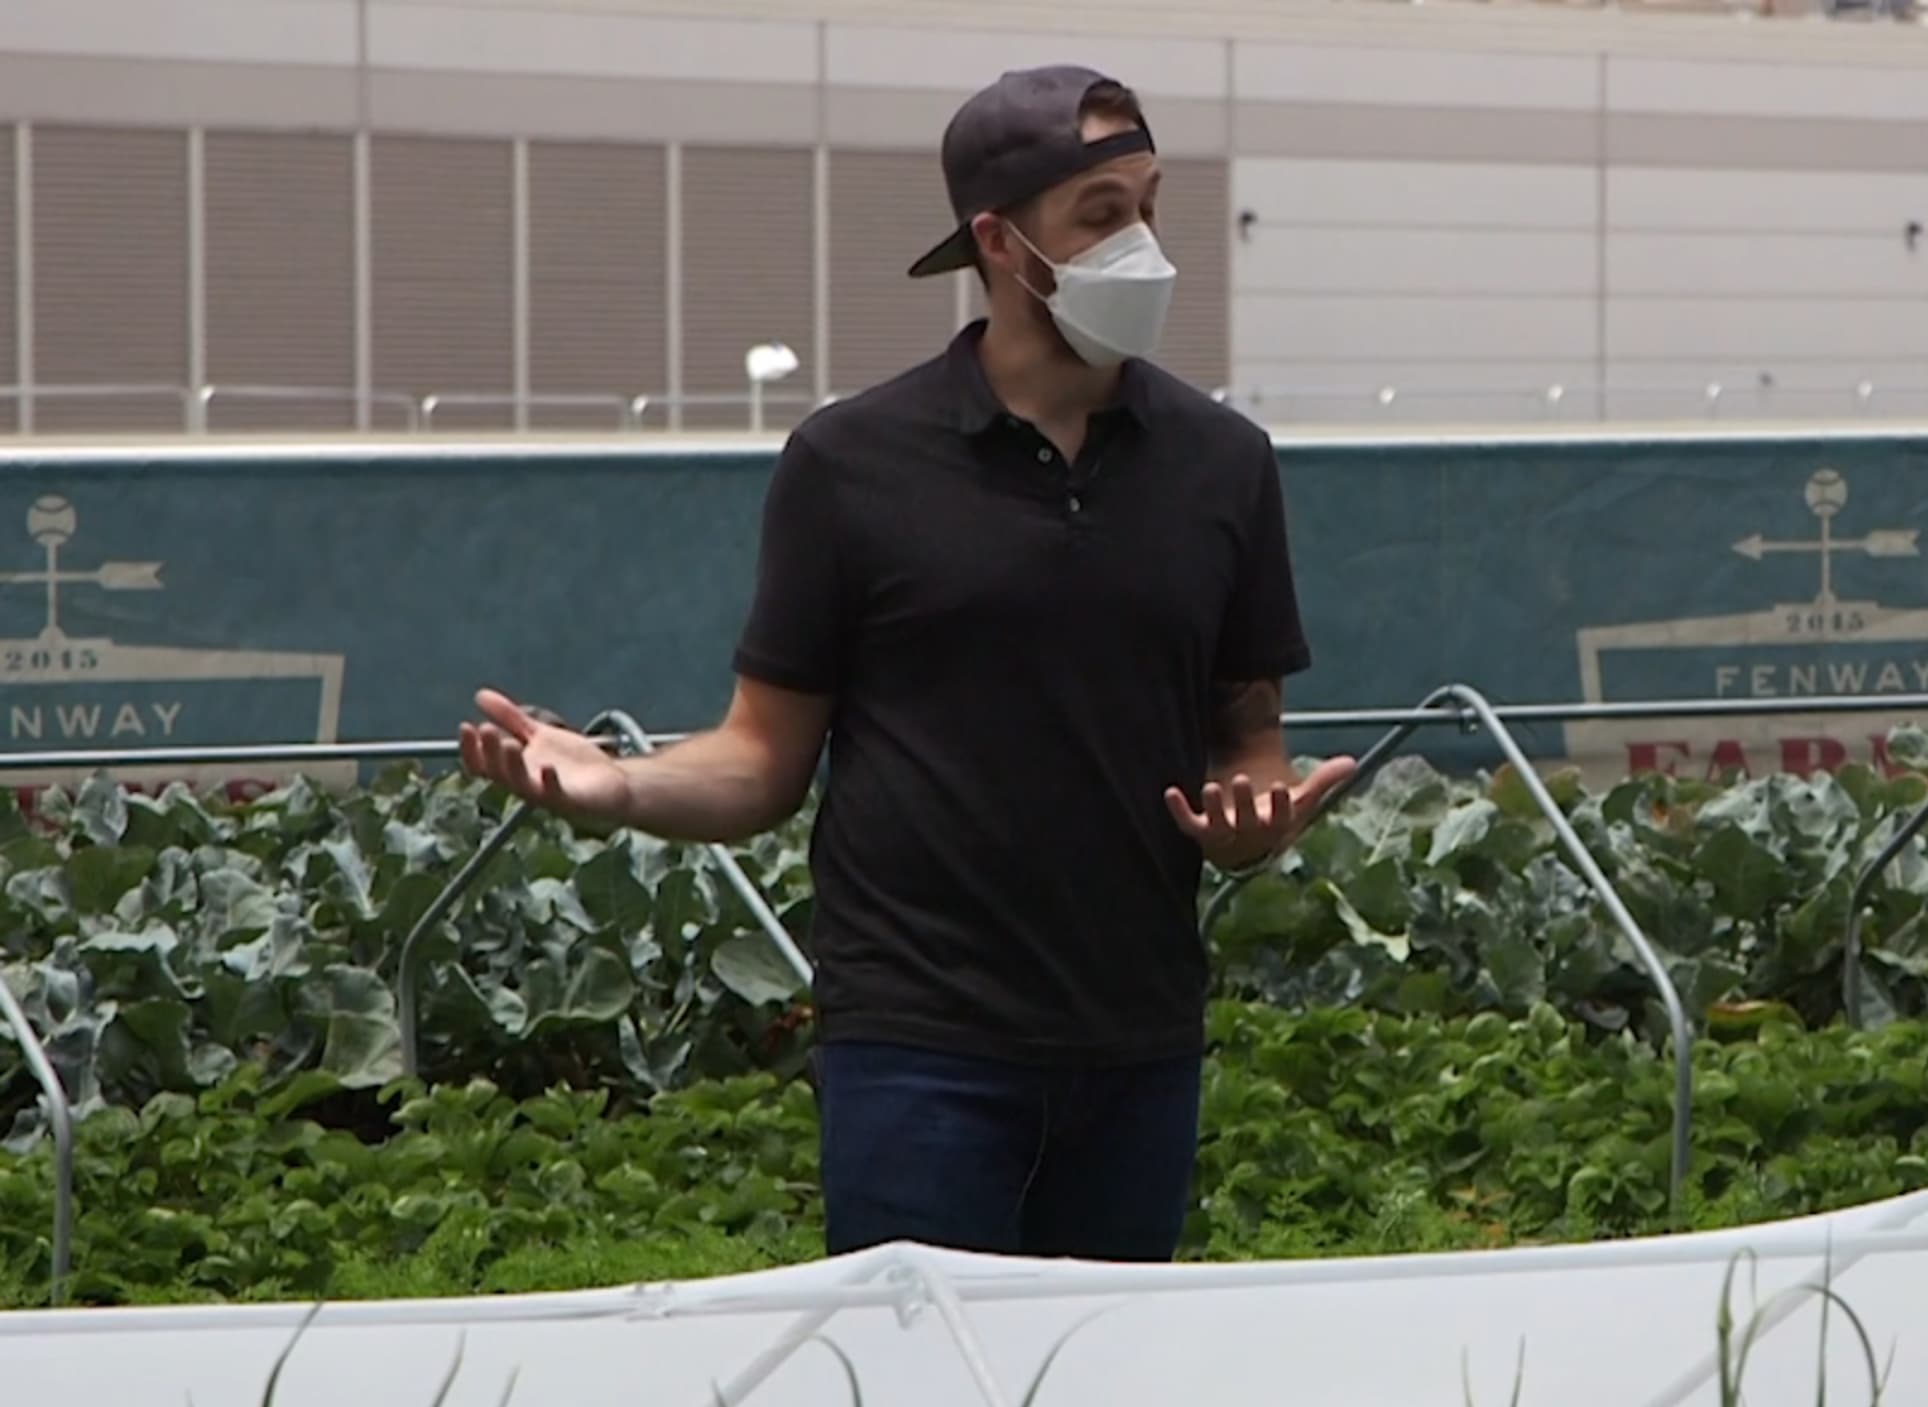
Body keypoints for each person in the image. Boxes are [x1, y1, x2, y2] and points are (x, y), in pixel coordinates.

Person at [456, 64, 1355, 1261]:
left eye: (1147, 205)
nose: (1139, 241)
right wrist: (621, 787)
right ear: (998, 239)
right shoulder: (850, 465)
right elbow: (761, 759)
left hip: (1141, 1044)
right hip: (919, 1050)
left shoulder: (1225, 465)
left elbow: (1248, 730)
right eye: (1099, 213)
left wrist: (1257, 808)